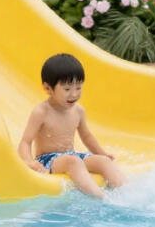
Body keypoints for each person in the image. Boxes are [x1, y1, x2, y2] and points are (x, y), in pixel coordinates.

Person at [18, 53, 126, 198]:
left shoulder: (78, 111)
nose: (74, 94)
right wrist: (29, 161)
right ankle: (101, 198)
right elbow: (25, 141)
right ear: (48, 88)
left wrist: (102, 153)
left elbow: (87, 137)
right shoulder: (41, 112)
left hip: (71, 155)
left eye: (78, 88)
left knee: (103, 161)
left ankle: (126, 194)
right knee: (73, 162)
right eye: (67, 89)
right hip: (48, 159)